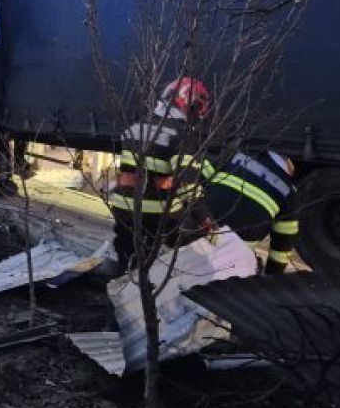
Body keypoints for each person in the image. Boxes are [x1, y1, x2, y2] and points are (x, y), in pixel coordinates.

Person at [100, 77, 213, 277]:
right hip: (158, 213)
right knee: (191, 240)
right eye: (197, 108)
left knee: (128, 254)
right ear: (189, 103)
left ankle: (119, 281)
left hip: (124, 207)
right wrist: (204, 217)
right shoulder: (181, 135)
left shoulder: (136, 127)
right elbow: (188, 182)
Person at [202, 149, 299, 274]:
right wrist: (272, 276)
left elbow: (200, 175)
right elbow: (283, 245)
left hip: (197, 234)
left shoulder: (234, 155)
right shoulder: (289, 193)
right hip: (232, 256)